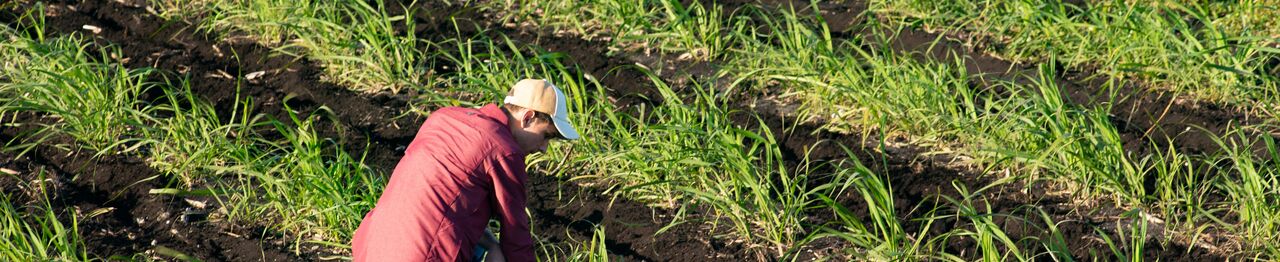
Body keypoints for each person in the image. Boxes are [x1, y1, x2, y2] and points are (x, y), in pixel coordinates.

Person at [351, 79, 581, 261]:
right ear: (528, 117)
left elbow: (436, 202)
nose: (543, 148)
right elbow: (516, 237)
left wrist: (491, 245)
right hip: (423, 257)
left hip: (370, 246)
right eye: (546, 136)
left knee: (486, 248)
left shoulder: (443, 117)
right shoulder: (504, 151)